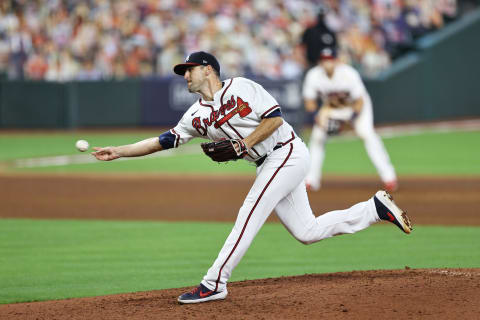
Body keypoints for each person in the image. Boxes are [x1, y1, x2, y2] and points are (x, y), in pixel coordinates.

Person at [92, 51, 412, 304]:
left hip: (287, 151)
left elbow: (275, 120)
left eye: (189, 69)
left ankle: (214, 282)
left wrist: (243, 144)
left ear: (208, 70)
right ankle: (373, 210)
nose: (185, 75)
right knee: (307, 231)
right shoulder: (195, 115)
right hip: (269, 162)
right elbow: (162, 141)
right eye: (183, 71)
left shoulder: (241, 87)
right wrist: (119, 151)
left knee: (249, 212)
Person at [303, 47, 398, 192]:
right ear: (320, 62)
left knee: (367, 134)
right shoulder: (313, 75)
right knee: (317, 137)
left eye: (330, 60)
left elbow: (359, 101)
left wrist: (349, 121)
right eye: (324, 60)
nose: (327, 63)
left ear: (336, 60)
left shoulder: (348, 73)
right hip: (333, 109)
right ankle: (311, 180)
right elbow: (309, 102)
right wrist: (317, 117)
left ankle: (389, 177)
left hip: (357, 108)